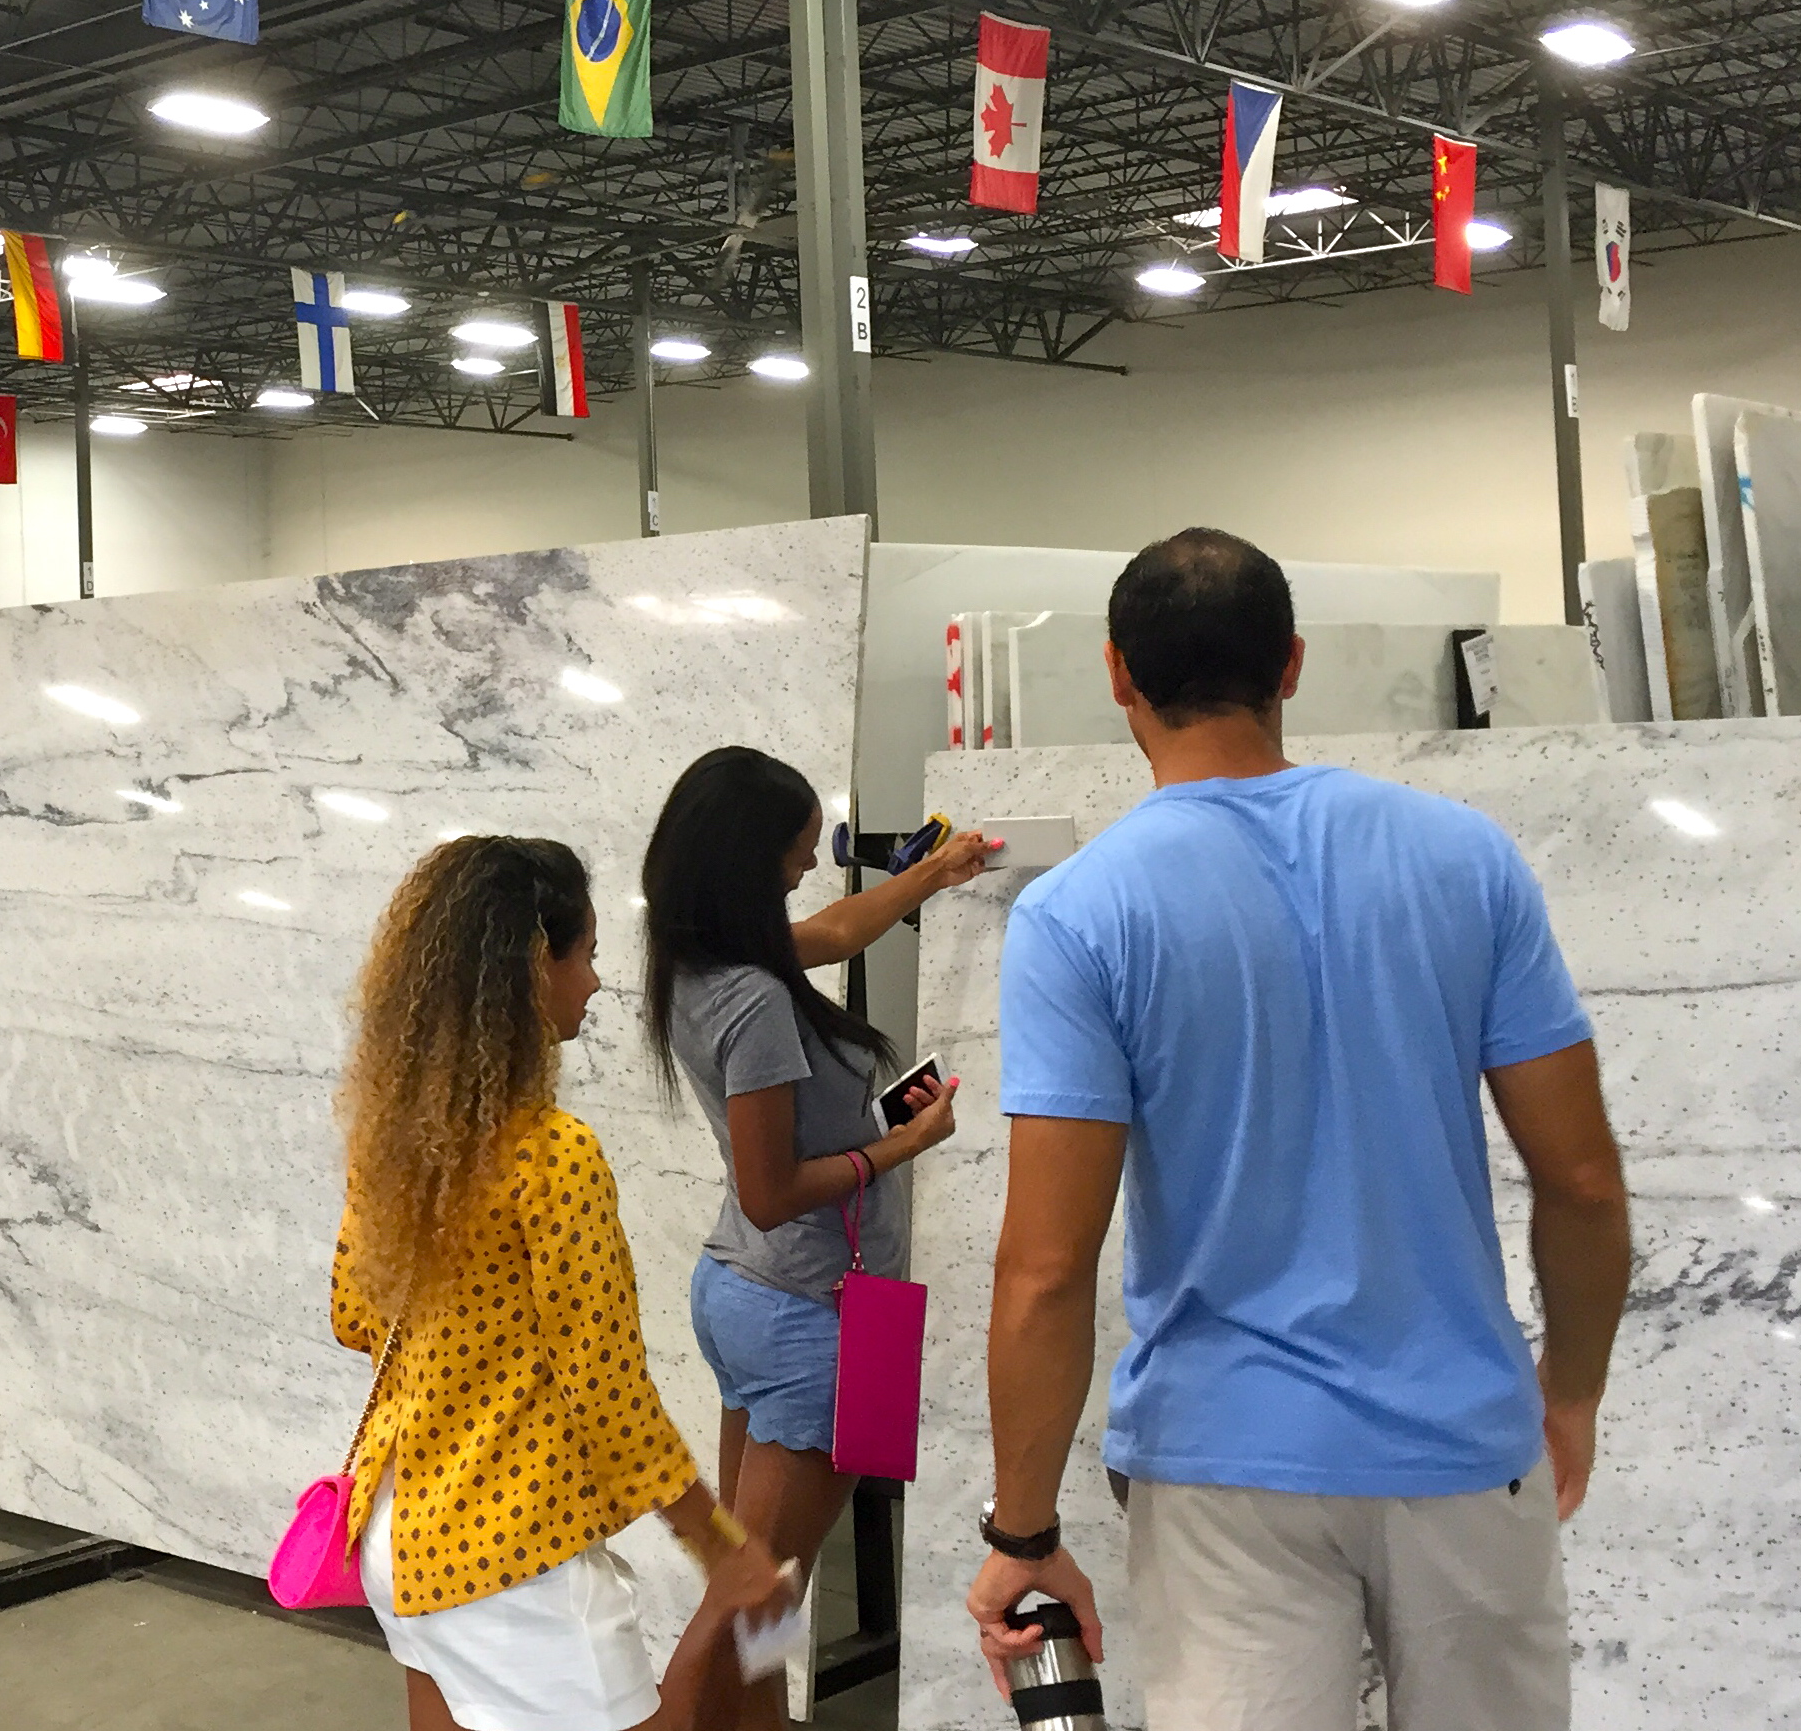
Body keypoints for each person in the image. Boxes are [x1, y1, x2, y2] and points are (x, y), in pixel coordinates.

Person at [965, 529, 1634, 1731]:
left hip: (1223, 1465)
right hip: (1462, 1444)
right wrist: (1570, 1393)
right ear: (1291, 664)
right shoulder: (1465, 860)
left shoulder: (1078, 914)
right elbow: (1581, 1180)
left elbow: (1047, 1268)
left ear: (1116, 674)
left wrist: (1022, 1534)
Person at [332, 834, 788, 1731]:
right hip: (509, 1555)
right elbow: (607, 1392)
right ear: (531, 967)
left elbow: (354, 1316)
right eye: (584, 955)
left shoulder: (395, 1145)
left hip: (396, 1530)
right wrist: (720, 1544)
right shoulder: (551, 1156)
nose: (594, 981)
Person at [641, 748, 984, 1728]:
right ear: (747, 861)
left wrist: (931, 875)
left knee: (760, 1590)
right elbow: (771, 1192)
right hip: (804, 1314)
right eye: (795, 854)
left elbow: (834, 930)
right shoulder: (754, 999)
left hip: (747, 1297)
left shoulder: (701, 960)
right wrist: (902, 1144)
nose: (806, 868)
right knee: (751, 1593)